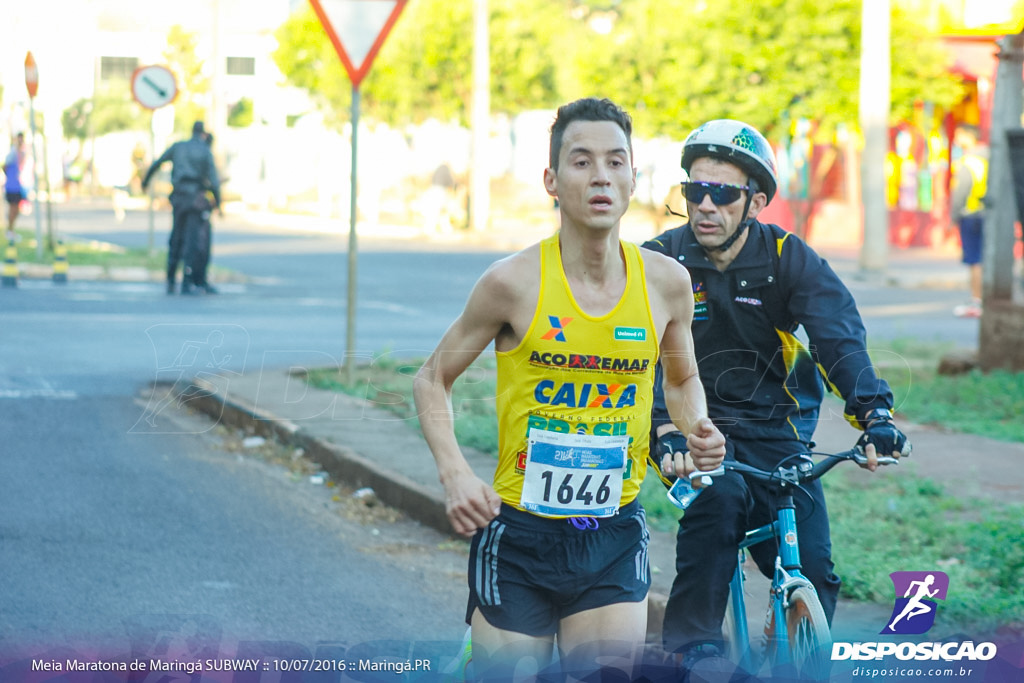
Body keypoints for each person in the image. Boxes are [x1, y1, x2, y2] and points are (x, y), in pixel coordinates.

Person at [412, 97, 726, 681]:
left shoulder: (667, 284)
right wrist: (455, 472)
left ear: (634, 178)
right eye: (582, 162)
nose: (601, 175)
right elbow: (433, 379)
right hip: (519, 537)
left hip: (611, 533)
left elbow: (682, 381)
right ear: (552, 181)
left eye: (615, 161)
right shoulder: (511, 283)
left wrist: (696, 426)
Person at [641, 119, 911, 671]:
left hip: (778, 434)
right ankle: (689, 656)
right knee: (717, 507)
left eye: (723, 193)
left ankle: (797, 657)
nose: (705, 206)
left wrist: (874, 413)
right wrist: (660, 428)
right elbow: (632, 357)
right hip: (691, 431)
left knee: (812, 562)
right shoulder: (659, 260)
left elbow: (838, 338)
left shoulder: (789, 258)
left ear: (757, 201)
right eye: (695, 190)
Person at [141, 121, 222, 295]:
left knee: (176, 236)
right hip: (195, 200)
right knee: (193, 241)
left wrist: (145, 182)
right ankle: (187, 282)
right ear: (203, 134)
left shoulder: (178, 147)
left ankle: (170, 279)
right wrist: (219, 203)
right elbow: (214, 181)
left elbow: (158, 162)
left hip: (179, 197)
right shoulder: (205, 151)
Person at [949, 125, 988, 318]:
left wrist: (953, 216)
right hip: (989, 214)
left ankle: (977, 301)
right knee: (985, 258)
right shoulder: (989, 156)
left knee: (975, 260)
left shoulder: (969, 161)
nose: (956, 138)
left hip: (971, 214)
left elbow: (960, 191)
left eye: (958, 134)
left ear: (969, 136)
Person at [3, 133, 27, 242]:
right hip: (11, 187)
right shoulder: (12, 154)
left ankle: (11, 230)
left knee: (17, 209)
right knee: (13, 209)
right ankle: (10, 231)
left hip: (17, 186)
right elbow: (5, 166)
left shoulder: (21, 154)